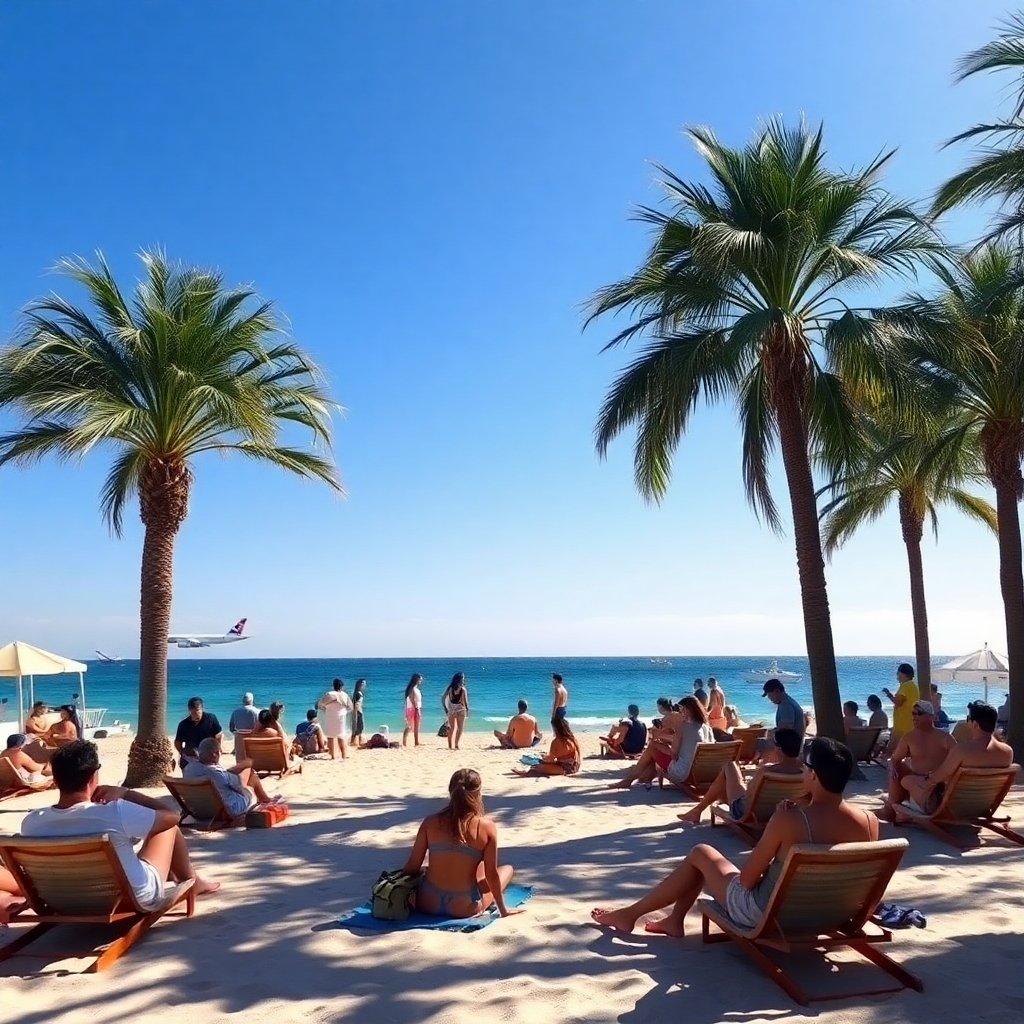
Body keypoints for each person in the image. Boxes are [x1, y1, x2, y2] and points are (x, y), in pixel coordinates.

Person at [592, 737, 877, 935]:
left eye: (806, 768)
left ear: (814, 776)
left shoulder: (789, 819)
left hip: (771, 915)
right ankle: (673, 921)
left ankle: (632, 915)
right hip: (832, 914)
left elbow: (746, 880)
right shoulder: (869, 821)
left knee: (702, 853)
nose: (802, 771)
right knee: (707, 859)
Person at [21, 740, 220, 908]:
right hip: (128, 899)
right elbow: (171, 816)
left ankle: (188, 878)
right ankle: (191, 881)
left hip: (64, 901)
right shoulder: (114, 812)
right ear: (93, 776)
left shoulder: (31, 823)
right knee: (167, 827)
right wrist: (125, 793)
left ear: (55, 779)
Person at [399, 768, 521, 918]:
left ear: (451, 791)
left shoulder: (430, 822)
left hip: (427, 902)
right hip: (464, 905)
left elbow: (412, 866)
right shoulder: (487, 827)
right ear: (478, 793)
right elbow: (491, 875)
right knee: (507, 869)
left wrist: (395, 888)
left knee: (452, 865)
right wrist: (502, 910)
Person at [900, 701, 1013, 814]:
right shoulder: (1007, 752)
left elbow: (936, 778)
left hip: (953, 807)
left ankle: (908, 809)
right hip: (984, 805)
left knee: (907, 780)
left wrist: (927, 777)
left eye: (968, 718)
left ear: (975, 724)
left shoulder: (962, 751)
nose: (967, 721)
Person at [677, 728, 804, 824]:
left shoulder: (766, 772)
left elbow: (749, 796)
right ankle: (701, 808)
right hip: (779, 812)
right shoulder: (806, 773)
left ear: (779, 749)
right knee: (727, 783)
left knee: (730, 767)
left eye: (773, 744)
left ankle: (698, 810)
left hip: (748, 813)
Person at [876, 700, 956, 821]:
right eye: (912, 713)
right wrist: (894, 765)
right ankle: (891, 804)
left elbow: (957, 761)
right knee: (896, 766)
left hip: (937, 786)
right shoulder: (909, 737)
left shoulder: (945, 738)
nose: (914, 716)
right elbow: (895, 759)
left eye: (918, 713)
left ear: (931, 717)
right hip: (921, 783)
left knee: (902, 774)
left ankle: (890, 808)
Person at [184, 736, 275, 815]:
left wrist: (237, 768)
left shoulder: (188, 769)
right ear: (214, 754)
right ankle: (265, 800)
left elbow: (224, 775)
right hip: (229, 809)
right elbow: (240, 784)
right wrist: (246, 766)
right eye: (220, 751)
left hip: (201, 809)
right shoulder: (216, 774)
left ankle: (265, 799)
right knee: (251, 776)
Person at [656, 696, 714, 787]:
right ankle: (639, 776)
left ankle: (639, 777)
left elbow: (674, 756)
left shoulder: (682, 727)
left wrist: (668, 745)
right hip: (705, 772)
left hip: (684, 773)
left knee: (654, 747)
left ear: (686, 710)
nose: (680, 712)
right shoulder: (707, 728)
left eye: (681, 709)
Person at [512, 716, 581, 776]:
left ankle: (525, 772)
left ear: (556, 729)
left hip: (564, 769)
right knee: (540, 764)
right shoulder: (572, 739)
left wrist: (543, 759)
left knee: (538, 766)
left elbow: (550, 760)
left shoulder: (556, 742)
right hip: (574, 767)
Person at [757, 679, 804, 760]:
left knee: (759, 743)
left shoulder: (786, 705)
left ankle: (765, 766)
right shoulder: (786, 702)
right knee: (762, 740)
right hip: (792, 740)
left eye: (770, 695)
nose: (770, 699)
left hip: (791, 743)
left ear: (777, 691)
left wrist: (772, 733)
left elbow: (786, 727)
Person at [173, 697, 223, 771]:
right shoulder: (183, 724)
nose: (196, 715)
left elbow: (219, 734)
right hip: (190, 755)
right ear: (189, 710)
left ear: (202, 709)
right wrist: (182, 752)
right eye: (193, 713)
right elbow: (177, 741)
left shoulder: (211, 719)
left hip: (208, 755)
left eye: (198, 711)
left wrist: (218, 749)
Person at [882, 663, 919, 751]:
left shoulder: (906, 685)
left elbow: (898, 701)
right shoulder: (912, 685)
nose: (897, 676)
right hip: (908, 722)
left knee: (893, 750)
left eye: (898, 674)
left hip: (903, 724)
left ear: (903, 674)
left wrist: (888, 694)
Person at [318, 679, 351, 760]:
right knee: (341, 735)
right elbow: (350, 707)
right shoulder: (345, 695)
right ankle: (343, 755)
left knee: (330, 736)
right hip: (341, 716)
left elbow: (320, 704)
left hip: (330, 716)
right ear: (342, 686)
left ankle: (333, 756)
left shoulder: (329, 694)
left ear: (333, 686)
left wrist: (325, 709)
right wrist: (344, 711)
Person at [228, 692, 259, 763]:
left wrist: (237, 734)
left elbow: (231, 728)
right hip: (253, 742)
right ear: (253, 701)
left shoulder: (235, 712)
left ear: (243, 702)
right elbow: (260, 727)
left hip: (239, 744)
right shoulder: (257, 712)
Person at [442, 672, 470, 751]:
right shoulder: (463, 689)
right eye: (463, 679)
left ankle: (450, 745)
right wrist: (467, 710)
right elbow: (465, 702)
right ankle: (456, 745)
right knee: (460, 728)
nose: (464, 680)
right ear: (460, 679)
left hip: (451, 711)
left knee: (451, 728)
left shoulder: (450, 688)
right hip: (461, 710)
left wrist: (445, 709)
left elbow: (443, 698)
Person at [403, 673, 423, 747]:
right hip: (413, 709)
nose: (421, 681)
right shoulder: (412, 689)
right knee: (410, 726)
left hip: (415, 708)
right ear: (417, 679)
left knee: (416, 726)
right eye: (420, 679)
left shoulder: (415, 688)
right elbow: (412, 699)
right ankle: (405, 741)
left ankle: (416, 742)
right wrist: (416, 709)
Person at [351, 679, 367, 746]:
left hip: (357, 712)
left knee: (357, 728)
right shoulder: (358, 694)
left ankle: (355, 742)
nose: (364, 685)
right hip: (358, 712)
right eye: (363, 684)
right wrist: (358, 713)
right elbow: (356, 704)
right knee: (359, 727)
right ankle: (358, 742)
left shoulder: (357, 693)